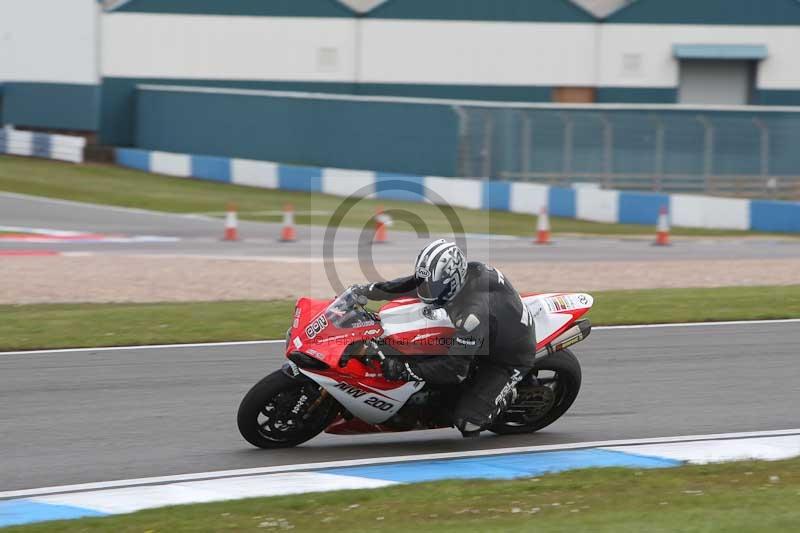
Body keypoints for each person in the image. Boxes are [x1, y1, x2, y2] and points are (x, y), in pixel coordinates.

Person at [352, 239, 536, 437]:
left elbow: (455, 370)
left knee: (467, 423)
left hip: (508, 357)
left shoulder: (471, 316)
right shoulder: (459, 276)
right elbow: (412, 284)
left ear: (453, 281)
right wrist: (371, 291)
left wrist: (406, 370)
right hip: (492, 329)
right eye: (425, 283)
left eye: (431, 287)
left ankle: (507, 395)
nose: (424, 290)